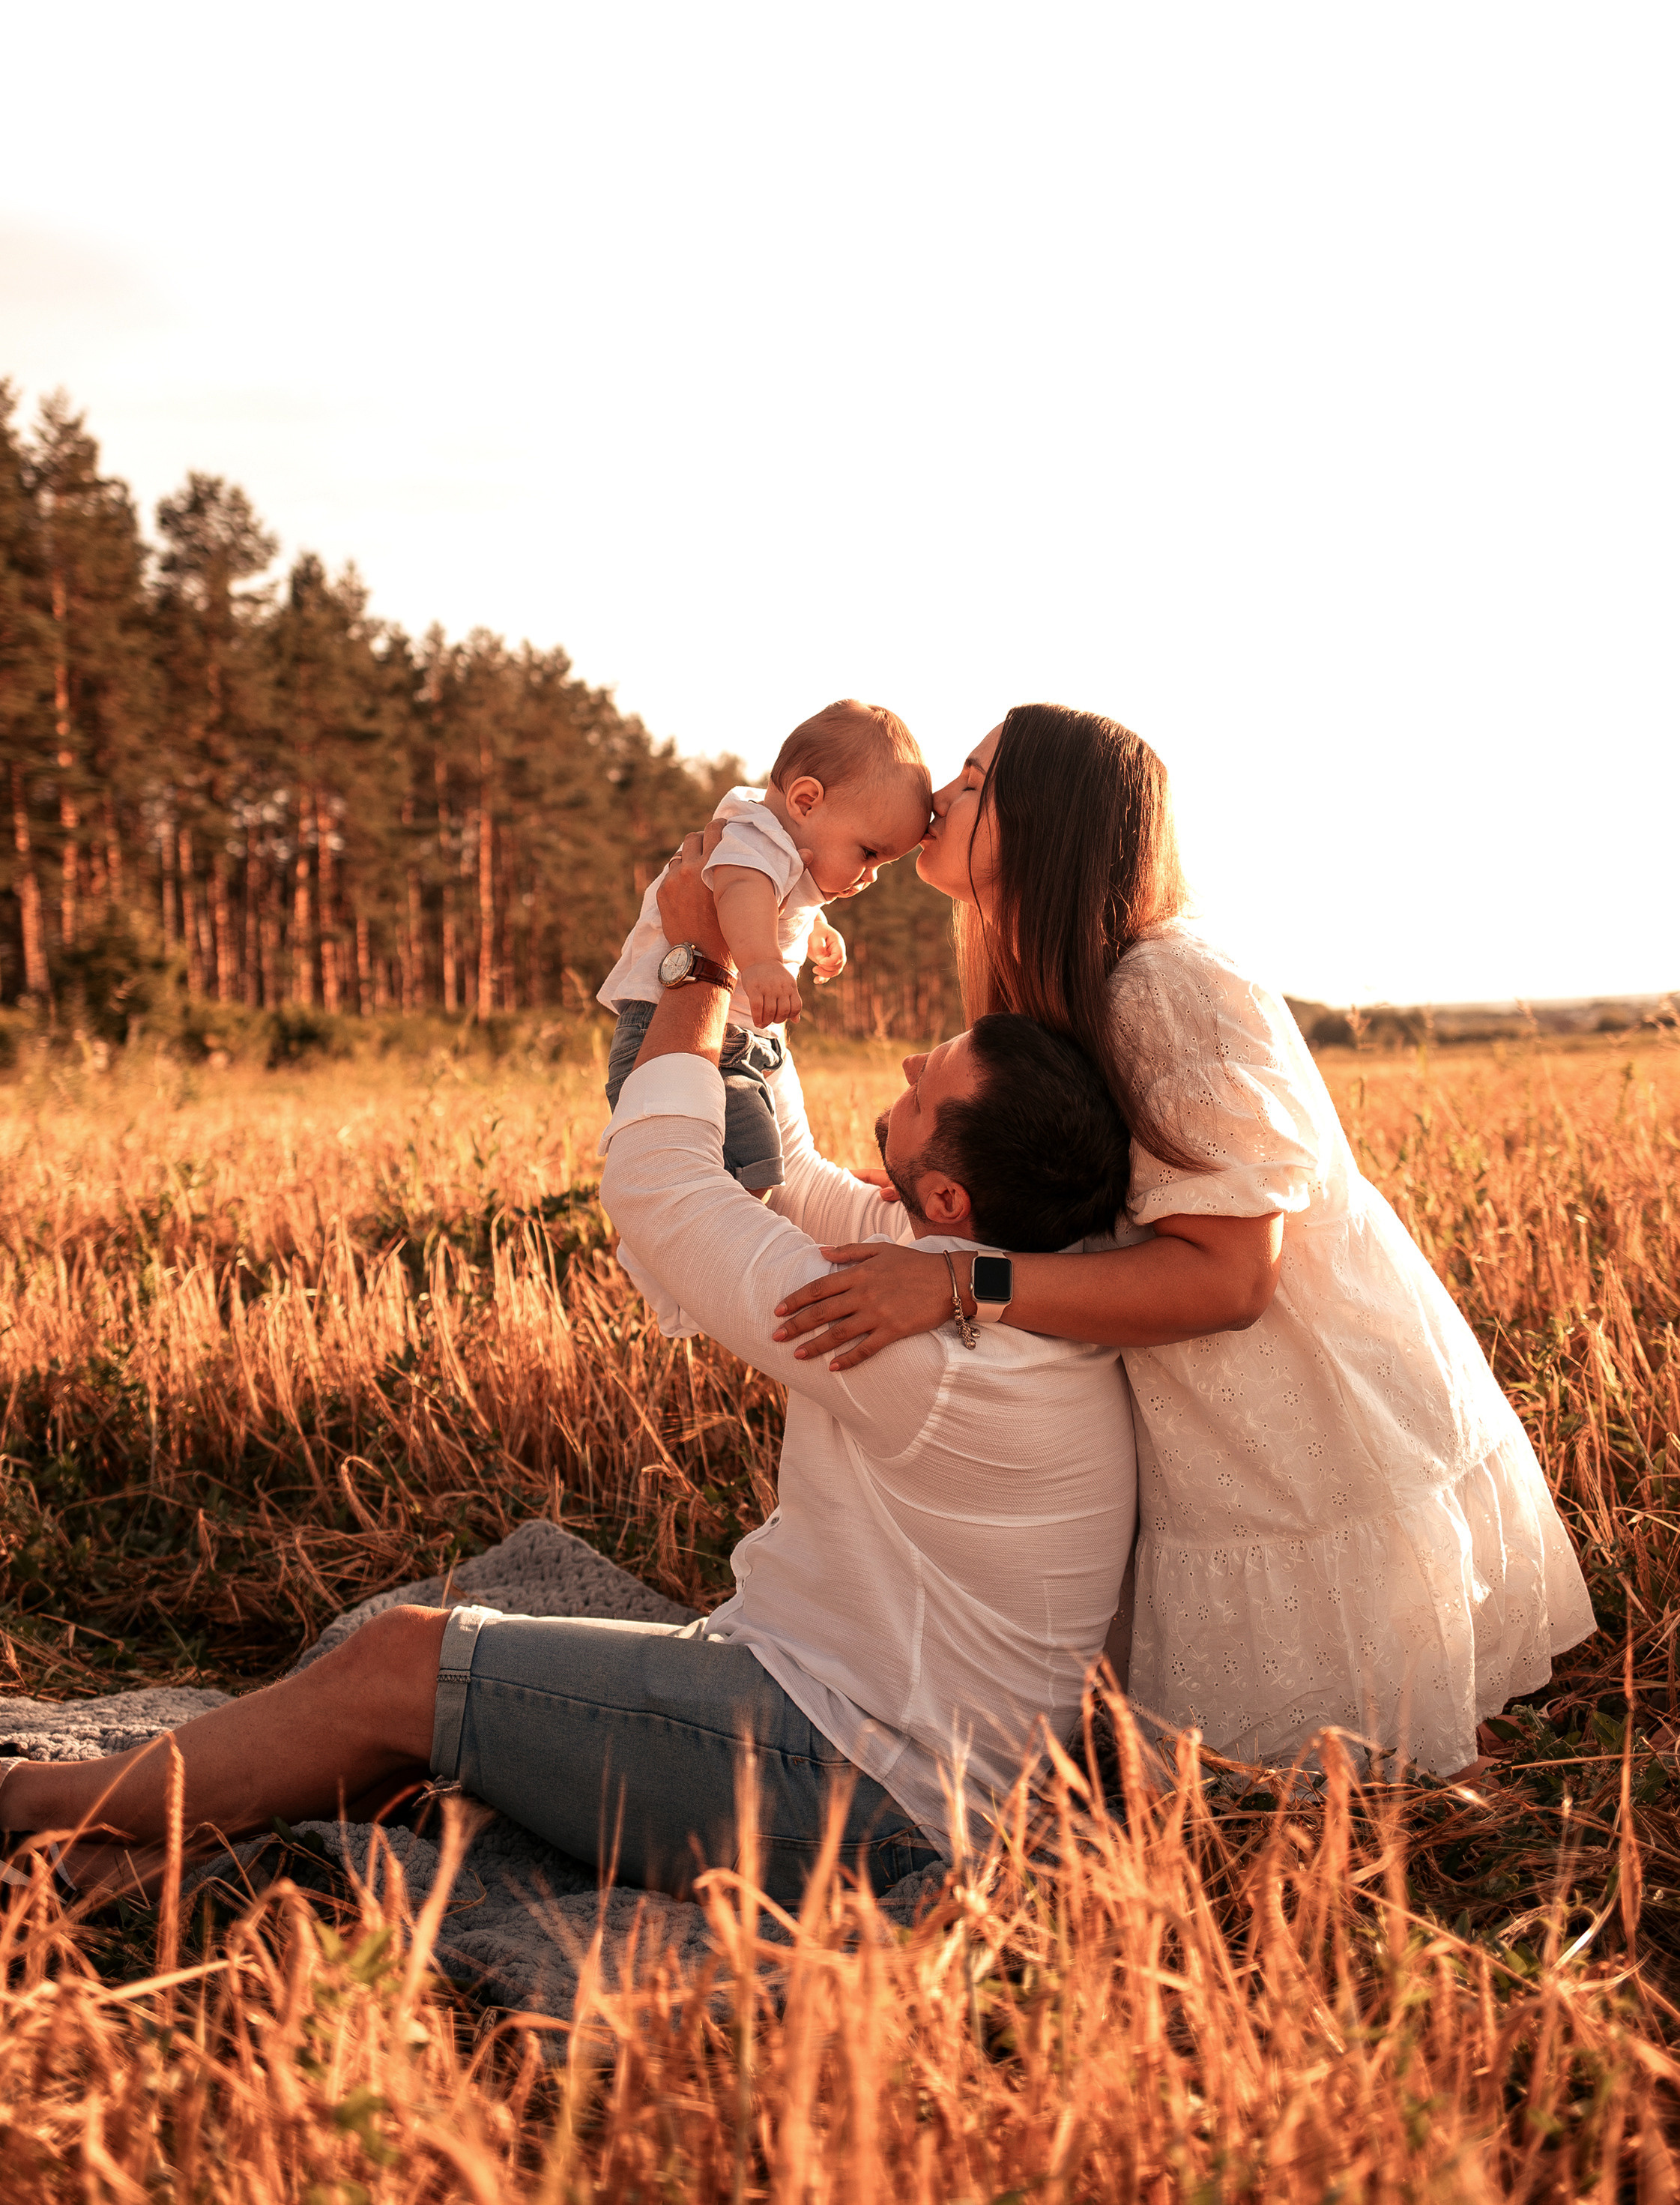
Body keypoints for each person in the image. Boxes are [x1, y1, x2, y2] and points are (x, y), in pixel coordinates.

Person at [0, 837, 1137, 1908]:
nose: (905, 1061)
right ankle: (125, 1854)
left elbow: (660, 1186)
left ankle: (21, 1801)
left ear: (946, 1198)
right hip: (851, 1735)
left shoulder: (926, 1349)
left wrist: (695, 965)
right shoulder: (985, 1272)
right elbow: (789, 1174)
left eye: (927, 1086)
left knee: (400, 1663)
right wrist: (763, 949)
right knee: (436, 1702)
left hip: (861, 1794)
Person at [770, 704, 1595, 1779]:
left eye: (973, 780)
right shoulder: (1065, 974)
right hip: (1199, 1404)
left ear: (1049, 821)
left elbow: (1232, 1277)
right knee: (1281, 1785)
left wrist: (963, 1284)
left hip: (1299, 1408)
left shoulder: (1164, 986)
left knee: (1369, 1780)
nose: (938, 797)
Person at [598, 700, 931, 1334]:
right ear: (805, 800)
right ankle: (661, 1248)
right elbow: (741, 889)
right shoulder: (754, 838)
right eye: (868, 852)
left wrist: (815, 930)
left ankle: (677, 1253)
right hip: (675, 1026)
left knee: (756, 1164)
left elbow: (781, 898)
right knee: (739, 1163)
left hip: (730, 1036)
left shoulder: (781, 846)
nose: (869, 877)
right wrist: (759, 962)